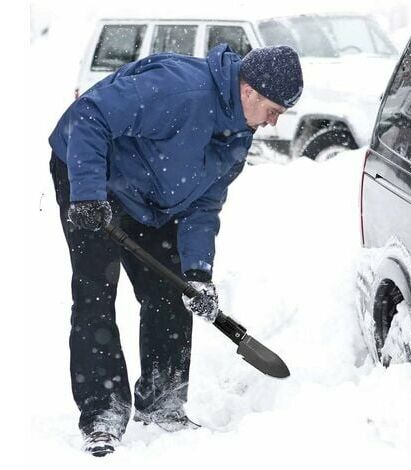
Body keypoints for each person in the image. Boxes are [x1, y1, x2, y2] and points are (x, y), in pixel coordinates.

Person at [49, 43, 303, 457]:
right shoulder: (180, 91)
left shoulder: (239, 136)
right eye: (275, 109)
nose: (274, 122)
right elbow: (88, 116)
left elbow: (203, 205)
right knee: (96, 290)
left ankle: (163, 401)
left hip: (150, 195)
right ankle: (102, 415)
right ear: (250, 91)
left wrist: (198, 272)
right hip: (91, 171)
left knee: (173, 291)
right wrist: (89, 194)